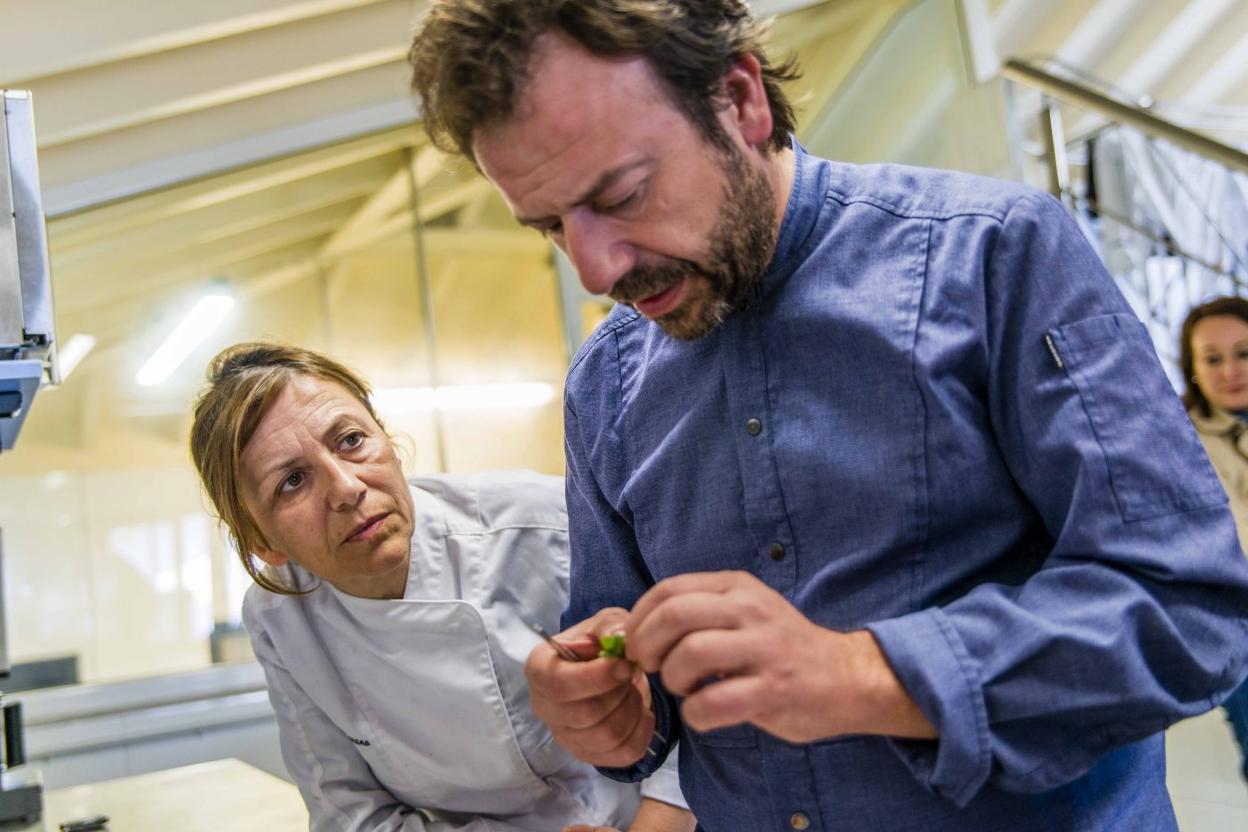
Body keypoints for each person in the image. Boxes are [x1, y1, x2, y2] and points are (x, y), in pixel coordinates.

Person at [407, 2, 1248, 830]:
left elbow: (1188, 608)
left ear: (739, 101)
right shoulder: (605, 383)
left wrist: (865, 675)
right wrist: (608, 712)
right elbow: (637, 677)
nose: (595, 270)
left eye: (623, 194)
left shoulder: (995, 255)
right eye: (550, 225)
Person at [188, 342, 694, 832]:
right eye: (292, 481)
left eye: (350, 440)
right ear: (261, 542)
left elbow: (694, 691)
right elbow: (347, 813)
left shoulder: (544, 524)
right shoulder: (281, 618)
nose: (346, 488)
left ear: (389, 441)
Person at [1180, 296, 1248, 784]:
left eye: (1244, 353)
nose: (1231, 371)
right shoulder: (1176, 440)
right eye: (1213, 358)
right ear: (1193, 368)